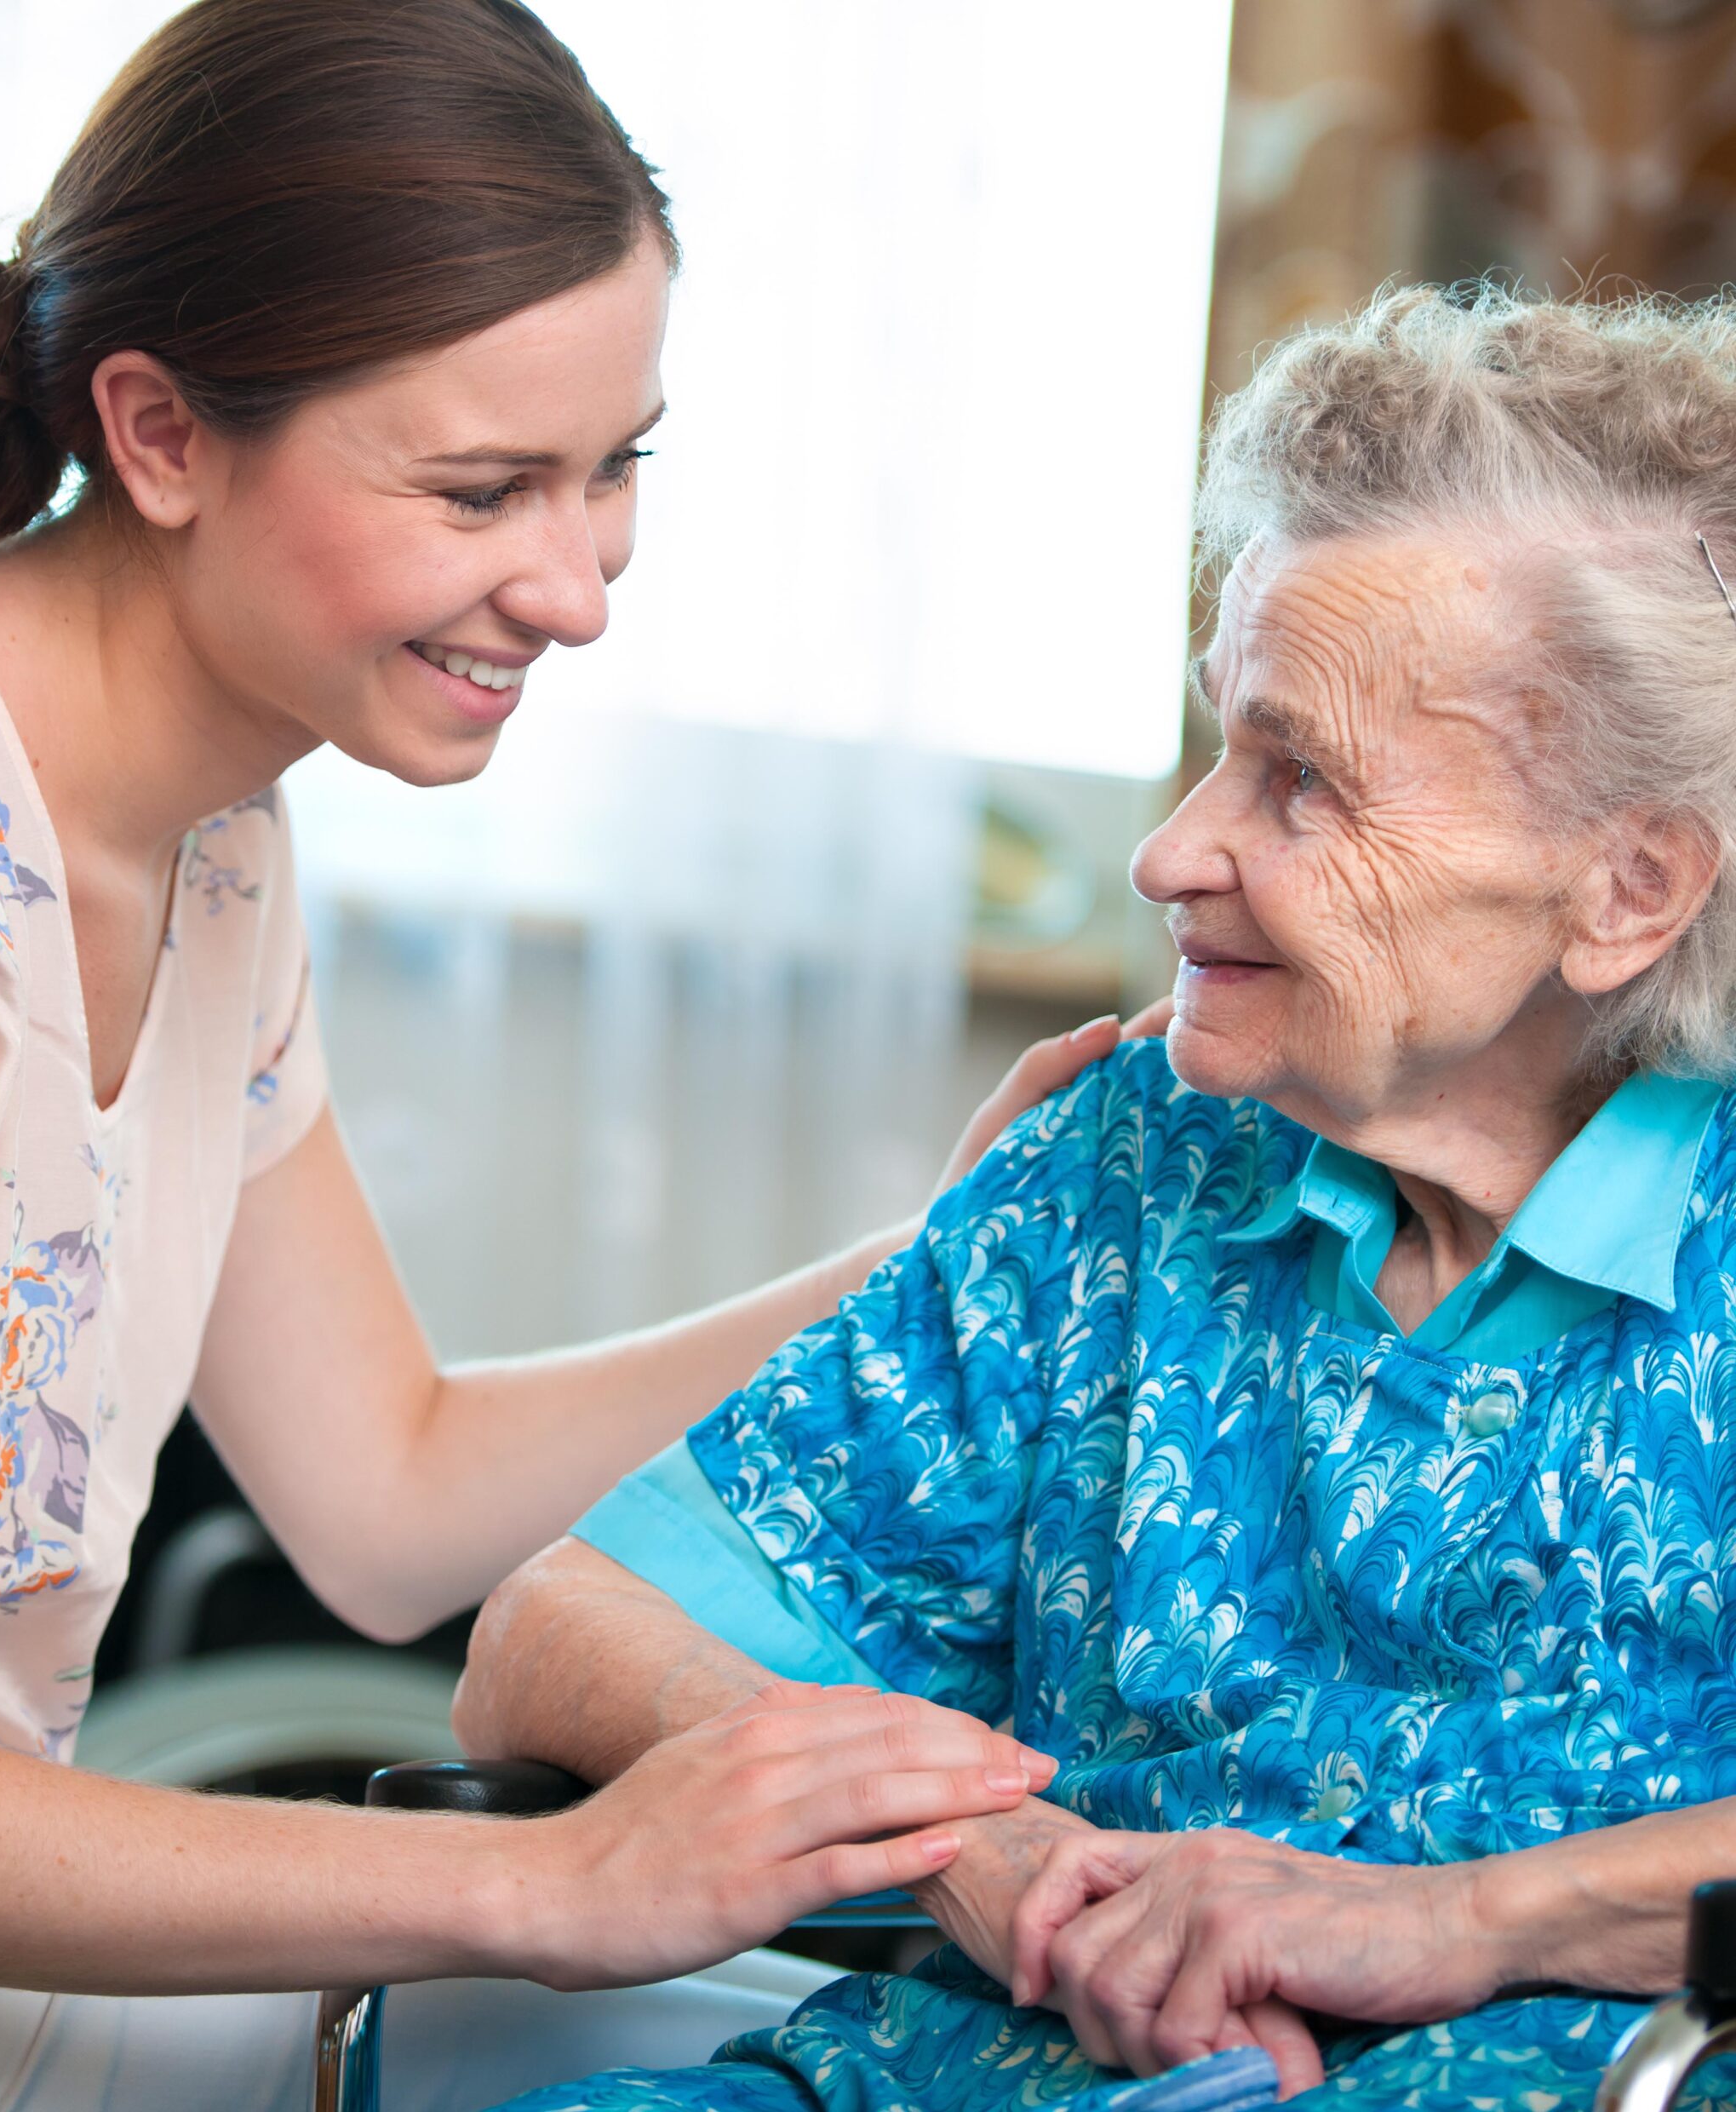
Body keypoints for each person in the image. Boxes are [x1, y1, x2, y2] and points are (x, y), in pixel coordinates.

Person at [0, 2, 1135, 2101]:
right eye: (482, 486)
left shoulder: (209, 827)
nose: (579, 582)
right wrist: (558, 1880)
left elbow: (388, 1494)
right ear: (157, 434)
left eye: (618, 469)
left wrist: (949, 1247)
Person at [456, 284, 1736, 2112]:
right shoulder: (1138, 1154)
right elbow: (551, 1638)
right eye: (1221, 743)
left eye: (1302, 781)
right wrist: (993, 1857)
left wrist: (1465, 1917)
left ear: (1626, 887)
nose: (1172, 850)